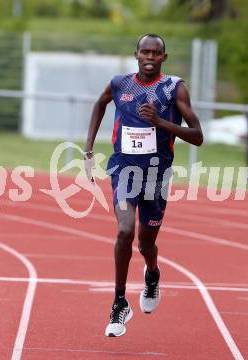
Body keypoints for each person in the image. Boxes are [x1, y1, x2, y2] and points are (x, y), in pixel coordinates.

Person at [84, 33, 203, 337]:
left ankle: (152, 274)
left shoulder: (174, 88)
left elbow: (198, 136)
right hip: (123, 169)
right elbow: (99, 105)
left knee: (145, 243)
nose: (150, 57)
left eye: (156, 53)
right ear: (136, 54)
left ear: (164, 57)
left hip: (156, 174)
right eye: (145, 52)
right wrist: (88, 150)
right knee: (124, 230)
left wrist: (160, 123)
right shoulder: (120, 84)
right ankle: (119, 302)